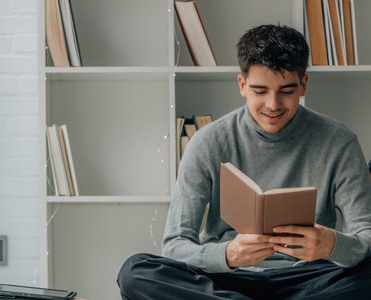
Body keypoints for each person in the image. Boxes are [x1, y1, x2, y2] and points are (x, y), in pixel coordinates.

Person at [117, 24, 371, 299]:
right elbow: (176, 245)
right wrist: (229, 254)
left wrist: (331, 245)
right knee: (135, 270)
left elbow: (366, 237)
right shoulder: (207, 142)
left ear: (303, 85)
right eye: (260, 91)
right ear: (242, 85)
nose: (273, 104)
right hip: (227, 280)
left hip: (308, 279)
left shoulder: (340, 142)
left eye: (286, 91)